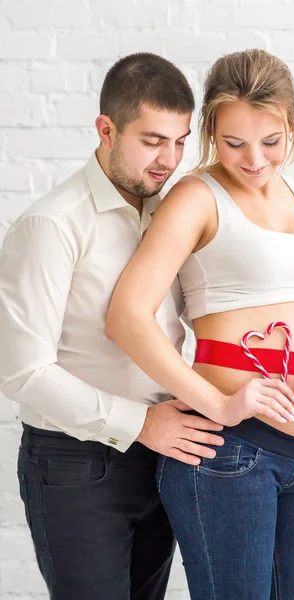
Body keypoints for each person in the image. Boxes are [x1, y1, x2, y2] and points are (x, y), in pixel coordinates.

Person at [106, 49, 294, 600]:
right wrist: (219, 403)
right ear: (211, 130)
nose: (254, 159)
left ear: (293, 126)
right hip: (233, 454)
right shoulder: (195, 198)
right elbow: (126, 316)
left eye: (271, 141)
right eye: (234, 143)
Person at [0, 52, 231, 600]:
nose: (169, 159)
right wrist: (139, 423)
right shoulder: (51, 224)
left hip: (164, 454)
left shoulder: (172, 213)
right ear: (106, 129)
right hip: (75, 462)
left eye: (180, 142)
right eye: (152, 140)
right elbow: (22, 372)